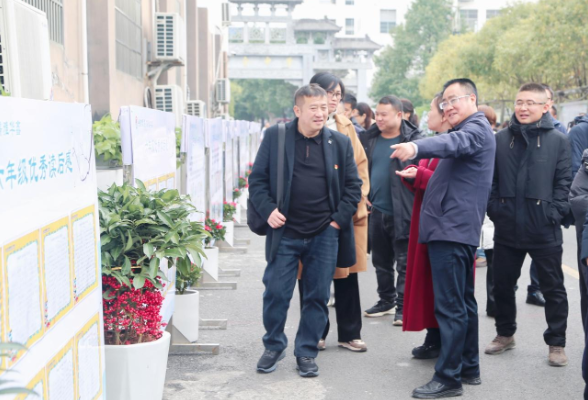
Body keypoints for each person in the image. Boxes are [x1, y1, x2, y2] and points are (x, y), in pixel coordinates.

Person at [391, 78, 495, 398]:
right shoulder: (467, 130)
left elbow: (450, 144)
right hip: (451, 229)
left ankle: (449, 378)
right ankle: (468, 366)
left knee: (451, 308)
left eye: (453, 100)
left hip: (452, 231)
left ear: (472, 99)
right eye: (444, 103)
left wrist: (416, 146)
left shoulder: (475, 130)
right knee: (461, 304)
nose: (447, 107)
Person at [249, 84, 362, 378]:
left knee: (317, 296)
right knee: (276, 292)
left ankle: (307, 351)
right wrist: (268, 209)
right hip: (285, 231)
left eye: (325, 108)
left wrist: (337, 221)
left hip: (324, 233)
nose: (321, 113)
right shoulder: (276, 136)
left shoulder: (339, 142)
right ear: (298, 110)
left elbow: (353, 187)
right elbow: (257, 179)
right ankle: (274, 345)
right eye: (314, 108)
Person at [484, 82, 571, 368]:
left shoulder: (559, 140)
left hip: (543, 229)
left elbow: (564, 183)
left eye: (530, 103)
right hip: (507, 227)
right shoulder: (500, 139)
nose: (523, 107)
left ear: (546, 106)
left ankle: (556, 342)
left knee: (553, 288)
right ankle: (505, 334)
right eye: (520, 102)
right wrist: (496, 209)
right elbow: (491, 182)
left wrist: (554, 213)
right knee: (502, 285)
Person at [294, 72, 370, 353]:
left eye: (338, 95)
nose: (335, 100)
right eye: (330, 93)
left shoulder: (345, 125)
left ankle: (350, 333)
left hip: (344, 215)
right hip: (309, 217)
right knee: (311, 278)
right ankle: (316, 332)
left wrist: (354, 202)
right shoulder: (297, 125)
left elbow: (360, 166)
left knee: (347, 274)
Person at [360, 95, 422, 326]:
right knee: (380, 261)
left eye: (384, 114)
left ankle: (403, 306)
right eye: (377, 114)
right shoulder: (369, 137)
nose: (379, 118)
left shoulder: (414, 140)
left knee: (404, 261)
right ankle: (385, 300)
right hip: (377, 209)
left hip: (404, 210)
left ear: (399, 115)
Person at [398, 93, 451, 360]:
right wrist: (413, 174)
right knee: (429, 284)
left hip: (443, 226)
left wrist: (419, 175)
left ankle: (444, 343)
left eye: (431, 110)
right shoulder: (435, 145)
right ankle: (434, 336)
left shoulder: (452, 146)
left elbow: (450, 186)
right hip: (426, 220)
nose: (427, 115)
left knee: (442, 287)